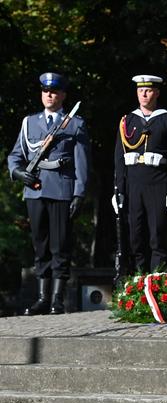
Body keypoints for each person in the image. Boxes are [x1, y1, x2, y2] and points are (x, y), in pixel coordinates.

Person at [7, 72, 90, 315]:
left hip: (62, 190)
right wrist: (19, 173)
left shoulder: (75, 124)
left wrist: (79, 193)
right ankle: (42, 298)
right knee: (39, 245)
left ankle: (57, 299)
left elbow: (82, 162)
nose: (49, 95)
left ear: (63, 95)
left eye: (54, 92)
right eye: (45, 91)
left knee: (60, 246)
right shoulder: (29, 123)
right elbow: (15, 156)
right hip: (34, 190)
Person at [112, 75, 167, 273]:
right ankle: (138, 282)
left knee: (157, 235)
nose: (144, 94)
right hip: (133, 185)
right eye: (140, 90)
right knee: (135, 236)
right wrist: (118, 189)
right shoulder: (127, 121)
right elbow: (119, 159)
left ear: (157, 93)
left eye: (149, 90)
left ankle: (157, 281)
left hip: (158, 184)